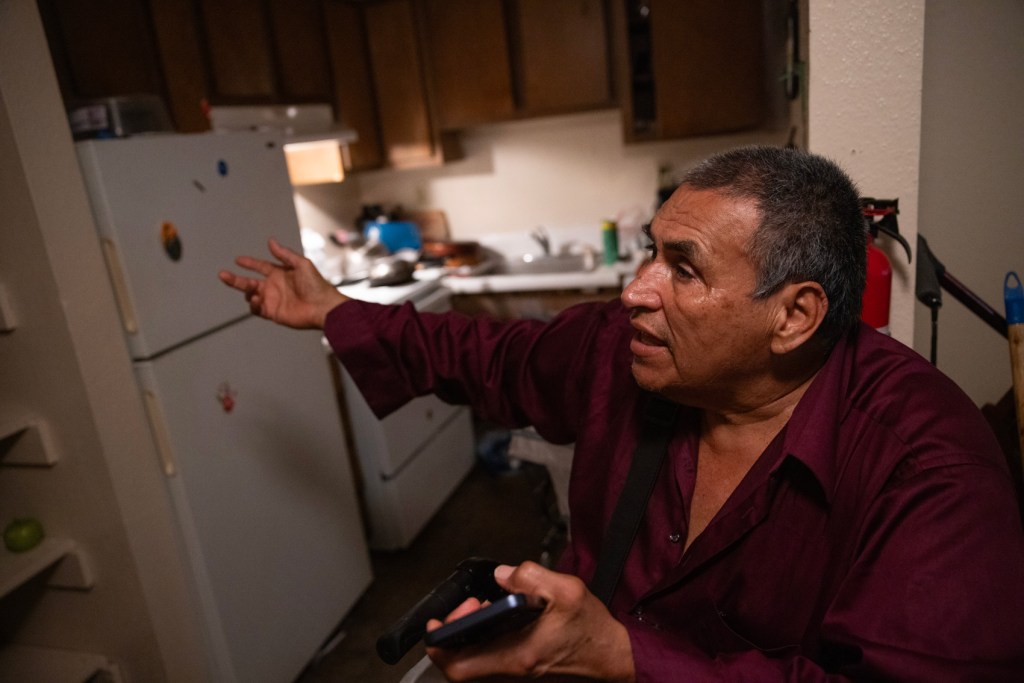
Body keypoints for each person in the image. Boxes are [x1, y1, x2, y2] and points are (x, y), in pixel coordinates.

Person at [219, 146, 1024, 681]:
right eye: (651, 252)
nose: (635, 291)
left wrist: (622, 655)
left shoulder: (932, 472)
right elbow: (488, 355)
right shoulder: (623, 351)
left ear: (794, 316)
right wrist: (336, 310)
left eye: (684, 268)